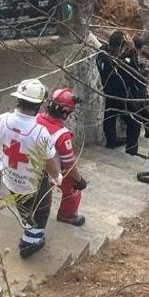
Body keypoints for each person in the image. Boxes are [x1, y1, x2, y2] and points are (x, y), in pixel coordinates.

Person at [0, 79, 63, 258]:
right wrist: (56, 177)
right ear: (38, 106)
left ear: (18, 100)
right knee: (41, 210)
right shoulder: (40, 132)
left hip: (10, 178)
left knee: (22, 205)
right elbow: (50, 162)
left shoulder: (2, 119)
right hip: (32, 183)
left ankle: (28, 228)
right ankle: (31, 242)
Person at [36, 88, 88, 226]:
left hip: (30, 164)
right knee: (73, 184)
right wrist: (79, 180)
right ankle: (67, 215)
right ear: (65, 112)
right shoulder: (62, 135)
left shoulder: (36, 118)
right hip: (49, 169)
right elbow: (69, 164)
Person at [95, 31, 145, 155]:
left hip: (108, 90)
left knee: (110, 115)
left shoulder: (101, 53)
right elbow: (136, 75)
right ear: (121, 46)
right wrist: (133, 51)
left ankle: (111, 140)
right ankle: (131, 150)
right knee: (134, 122)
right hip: (122, 95)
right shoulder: (118, 63)